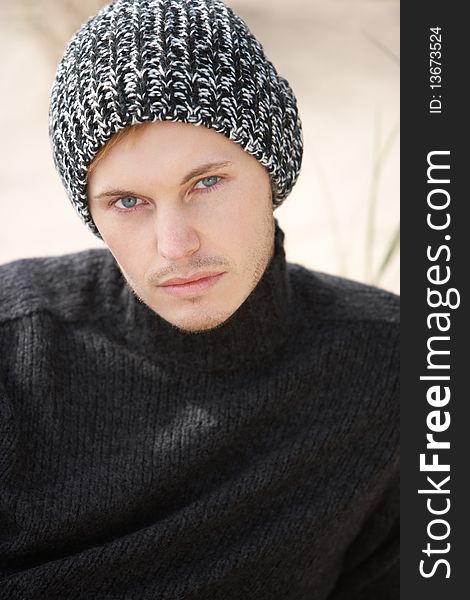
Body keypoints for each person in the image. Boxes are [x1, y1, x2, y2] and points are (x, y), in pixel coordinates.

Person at [0, 0, 399, 598]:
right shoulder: (16, 350)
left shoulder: (395, 368)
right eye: (128, 202)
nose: (175, 245)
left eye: (205, 183)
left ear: (273, 169)